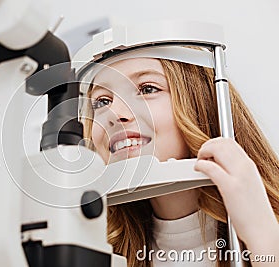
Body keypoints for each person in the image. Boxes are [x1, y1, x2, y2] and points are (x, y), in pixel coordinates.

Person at [80, 55, 279, 266]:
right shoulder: (99, 251)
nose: (115, 114)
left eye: (147, 89)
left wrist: (261, 232)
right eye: (102, 101)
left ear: (201, 102)